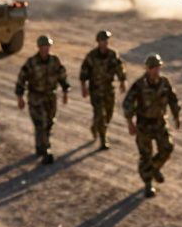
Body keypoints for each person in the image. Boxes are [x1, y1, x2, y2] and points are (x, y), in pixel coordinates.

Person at [123, 54, 181, 198]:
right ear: (148, 69)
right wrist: (130, 122)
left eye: (158, 67)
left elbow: (173, 100)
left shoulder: (164, 82)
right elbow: (128, 103)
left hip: (160, 123)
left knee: (167, 148)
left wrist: (176, 116)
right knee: (146, 155)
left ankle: (154, 169)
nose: (156, 70)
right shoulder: (139, 85)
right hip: (144, 125)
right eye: (153, 68)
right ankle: (148, 185)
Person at [15, 34, 69, 165]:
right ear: (39, 48)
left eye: (48, 46)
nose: (46, 49)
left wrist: (66, 92)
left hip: (51, 97)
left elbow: (62, 77)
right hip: (36, 98)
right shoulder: (31, 63)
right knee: (41, 124)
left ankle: (40, 146)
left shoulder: (55, 61)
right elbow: (21, 80)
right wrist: (20, 98)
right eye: (44, 46)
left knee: (49, 123)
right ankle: (46, 151)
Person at [80, 30, 127, 149]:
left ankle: (95, 127)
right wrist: (83, 87)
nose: (105, 43)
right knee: (100, 114)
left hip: (108, 89)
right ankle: (103, 140)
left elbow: (119, 68)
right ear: (98, 42)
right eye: (102, 41)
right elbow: (84, 72)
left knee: (109, 114)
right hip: (95, 90)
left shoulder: (112, 54)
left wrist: (122, 81)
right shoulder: (91, 56)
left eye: (106, 41)